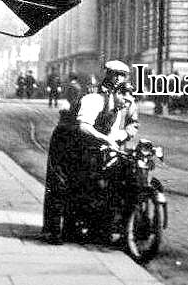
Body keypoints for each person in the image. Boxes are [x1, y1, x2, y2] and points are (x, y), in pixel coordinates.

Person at [40, 59, 138, 244]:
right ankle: (52, 231)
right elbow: (83, 127)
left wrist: (113, 141)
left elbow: (110, 130)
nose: (118, 78)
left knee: (83, 183)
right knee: (60, 185)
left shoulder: (118, 106)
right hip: (66, 141)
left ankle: (73, 230)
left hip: (84, 144)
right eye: (114, 74)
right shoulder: (94, 98)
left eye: (122, 75)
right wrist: (107, 139)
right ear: (107, 76)